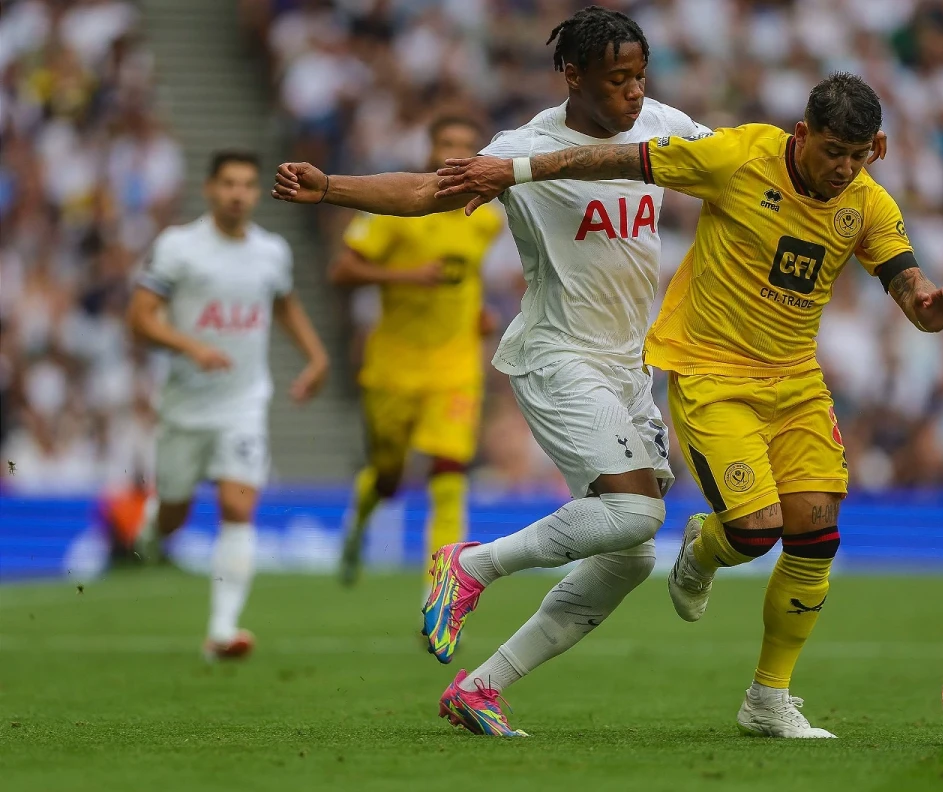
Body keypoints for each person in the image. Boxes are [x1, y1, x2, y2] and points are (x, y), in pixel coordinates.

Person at [433, 72, 943, 738]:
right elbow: (618, 158)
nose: (842, 167)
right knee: (754, 530)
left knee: (816, 531)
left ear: (878, 149)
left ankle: (768, 698)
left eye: (857, 155)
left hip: (796, 382)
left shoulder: (867, 204)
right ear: (803, 134)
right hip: (712, 374)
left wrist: (924, 306)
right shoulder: (738, 156)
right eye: (831, 150)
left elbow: (904, 279)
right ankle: (703, 548)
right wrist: (514, 170)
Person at [273, 6, 723, 737]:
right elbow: (428, 192)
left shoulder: (663, 124)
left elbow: (739, 164)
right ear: (571, 75)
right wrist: (330, 188)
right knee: (636, 513)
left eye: (640, 76)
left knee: (630, 554)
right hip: (557, 355)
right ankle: (471, 566)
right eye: (617, 79)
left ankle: (480, 688)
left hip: (627, 367)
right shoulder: (524, 148)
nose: (634, 92)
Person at [129, 150, 329, 662]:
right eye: (228, 184)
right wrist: (190, 346)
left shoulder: (271, 251)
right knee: (173, 515)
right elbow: (141, 318)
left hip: (244, 403)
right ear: (209, 189)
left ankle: (222, 631)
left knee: (238, 508)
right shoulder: (178, 247)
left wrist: (315, 357)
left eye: (246, 184)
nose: (238, 193)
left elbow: (284, 303)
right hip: (184, 406)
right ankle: (148, 534)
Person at [329, 115, 504, 588]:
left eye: (465, 146)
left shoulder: (483, 220)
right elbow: (341, 272)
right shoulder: (393, 211)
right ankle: (357, 527)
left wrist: (479, 313)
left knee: (450, 475)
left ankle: (441, 592)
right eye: (445, 143)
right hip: (392, 366)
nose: (454, 153)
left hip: (455, 365)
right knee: (387, 478)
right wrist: (406, 277)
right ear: (428, 149)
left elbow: (466, 279)